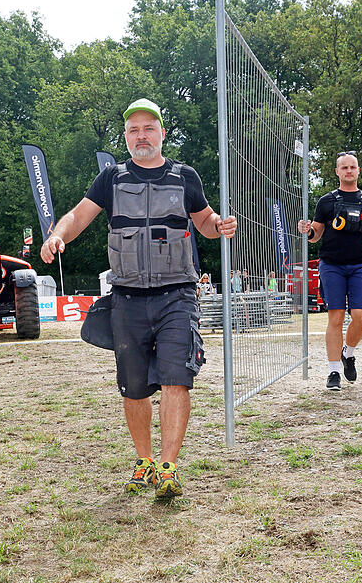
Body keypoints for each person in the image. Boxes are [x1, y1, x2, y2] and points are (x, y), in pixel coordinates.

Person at [40, 98, 237, 499]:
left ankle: (168, 467)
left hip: (177, 295)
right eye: (133, 131)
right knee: (133, 387)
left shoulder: (185, 177)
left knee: (176, 378)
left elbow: (205, 222)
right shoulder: (111, 179)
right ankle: (144, 461)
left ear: (162, 133)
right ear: (126, 137)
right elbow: (78, 216)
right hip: (127, 297)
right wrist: (57, 234)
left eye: (149, 128)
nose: (141, 136)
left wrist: (220, 225)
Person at [297, 151, 362, 391]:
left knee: (361, 317)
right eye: (344, 168)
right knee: (335, 317)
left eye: (352, 167)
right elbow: (316, 235)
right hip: (331, 265)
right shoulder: (327, 201)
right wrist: (308, 231)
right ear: (337, 172)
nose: (348, 171)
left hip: (359, 266)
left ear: (358, 170)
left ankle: (349, 352)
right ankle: (334, 371)